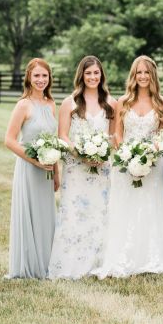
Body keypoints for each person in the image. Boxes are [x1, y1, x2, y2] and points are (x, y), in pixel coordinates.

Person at [95, 56, 163, 278]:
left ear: (153, 75)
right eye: (138, 72)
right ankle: (123, 255)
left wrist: (148, 156)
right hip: (124, 163)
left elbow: (162, 135)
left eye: (146, 72)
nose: (142, 76)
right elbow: (118, 134)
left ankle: (150, 256)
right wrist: (127, 156)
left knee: (151, 206)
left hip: (153, 164)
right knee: (125, 206)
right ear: (133, 75)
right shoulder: (124, 101)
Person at [48, 56, 117, 279]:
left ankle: (98, 260)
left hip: (102, 167)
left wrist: (102, 151)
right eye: (88, 73)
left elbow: (114, 137)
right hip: (76, 168)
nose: (92, 77)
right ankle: (72, 263)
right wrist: (82, 154)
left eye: (96, 73)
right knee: (76, 210)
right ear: (81, 75)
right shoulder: (70, 103)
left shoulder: (111, 103)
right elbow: (63, 136)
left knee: (100, 210)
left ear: (101, 75)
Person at [5, 58, 59, 279]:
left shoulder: (51, 104)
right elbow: (9, 140)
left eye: (44, 76)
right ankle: (28, 265)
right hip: (29, 169)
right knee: (29, 214)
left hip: (47, 171)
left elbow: (53, 141)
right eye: (36, 75)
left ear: (49, 78)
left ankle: (46, 263)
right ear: (29, 77)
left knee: (45, 215)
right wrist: (35, 160)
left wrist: (56, 172)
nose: (40, 80)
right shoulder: (23, 105)